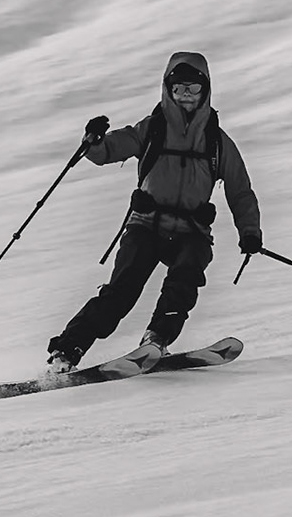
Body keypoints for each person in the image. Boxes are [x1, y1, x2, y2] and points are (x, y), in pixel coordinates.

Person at [46, 52, 261, 373]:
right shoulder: (152, 129)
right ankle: (65, 351)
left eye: (193, 89)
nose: (186, 96)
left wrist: (250, 232)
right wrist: (94, 141)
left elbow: (240, 190)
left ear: (205, 91)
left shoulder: (217, 141)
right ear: (168, 90)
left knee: (183, 283)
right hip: (146, 226)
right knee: (121, 292)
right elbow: (108, 150)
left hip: (191, 232)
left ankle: (157, 340)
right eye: (179, 89)